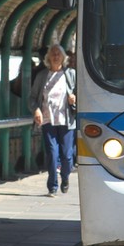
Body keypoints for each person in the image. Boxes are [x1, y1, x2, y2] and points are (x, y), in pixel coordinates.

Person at [29, 43, 77, 197]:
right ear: (48, 57)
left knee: (67, 155)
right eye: (53, 53)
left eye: (58, 54)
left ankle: (65, 177)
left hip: (66, 120)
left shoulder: (70, 74)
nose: (56, 56)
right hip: (48, 119)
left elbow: (80, 94)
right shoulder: (42, 76)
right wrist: (36, 110)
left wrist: (74, 99)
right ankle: (52, 186)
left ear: (63, 57)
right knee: (52, 152)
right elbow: (32, 98)